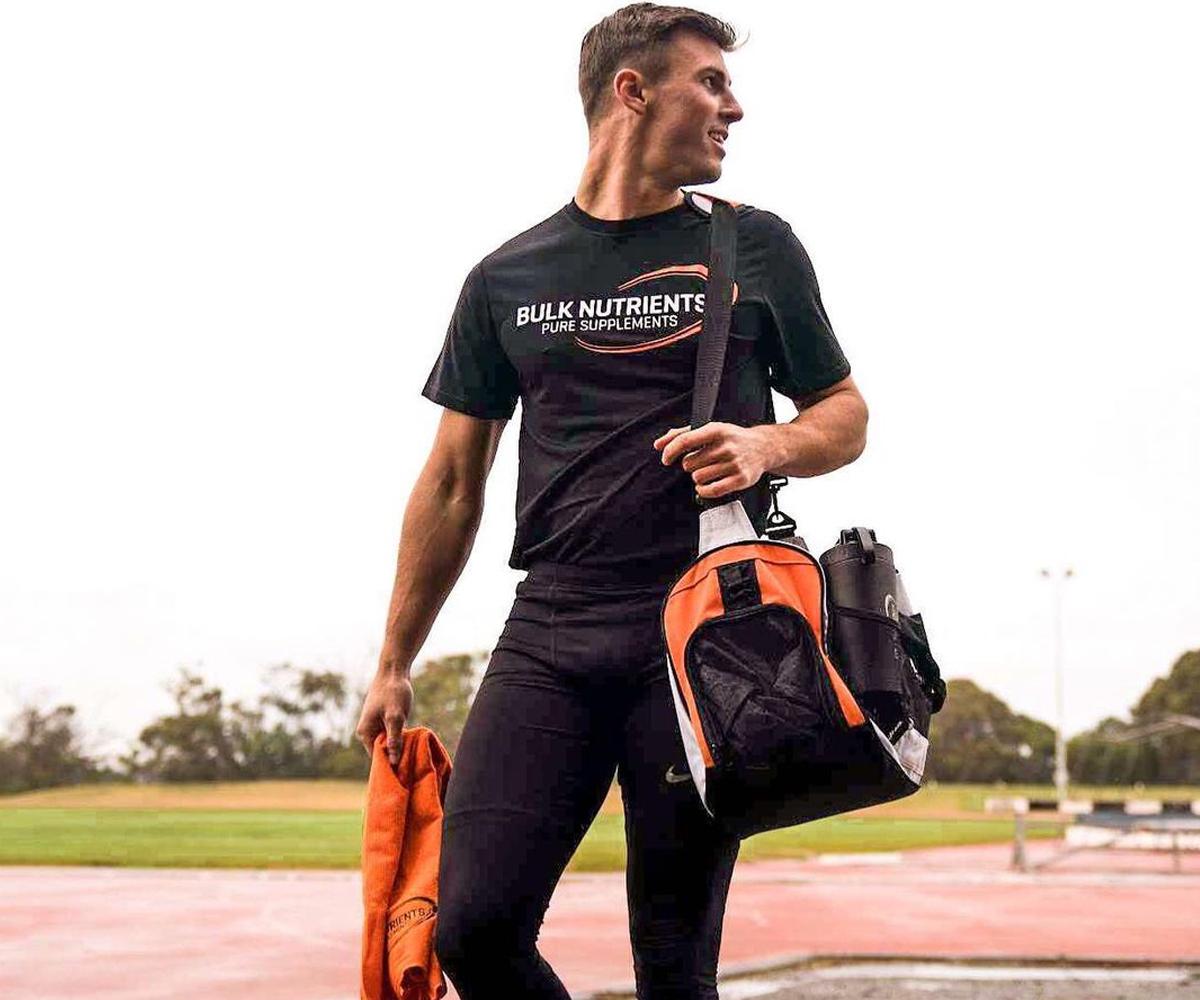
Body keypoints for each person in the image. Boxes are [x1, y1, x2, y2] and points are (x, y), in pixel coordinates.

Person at [355, 4, 869, 997]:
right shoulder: (505, 275)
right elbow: (454, 480)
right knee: (473, 927)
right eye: (710, 82)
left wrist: (769, 443)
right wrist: (393, 660)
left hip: (702, 635)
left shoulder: (754, 246)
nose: (736, 107)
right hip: (550, 628)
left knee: (673, 970)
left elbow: (843, 413)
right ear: (632, 92)